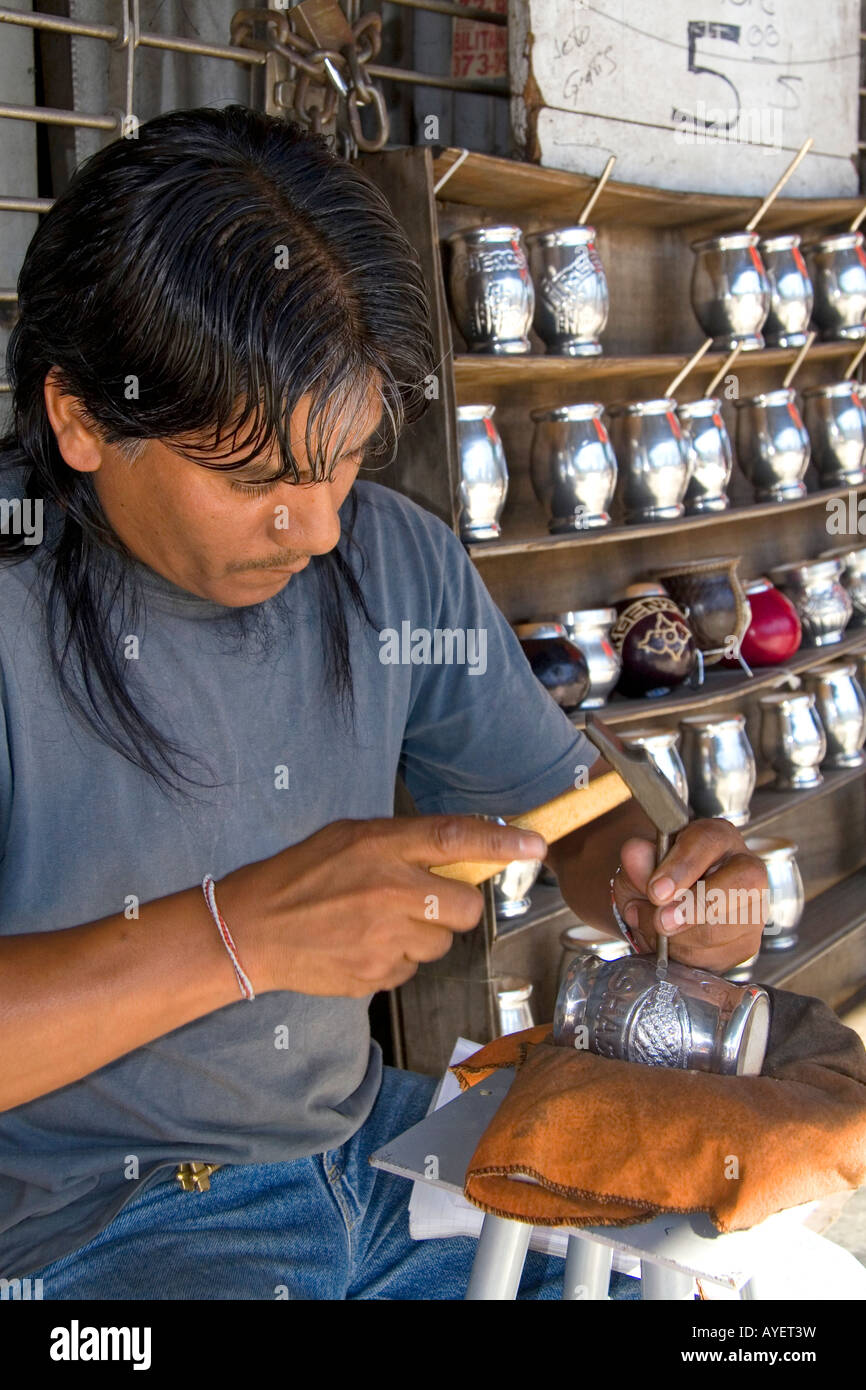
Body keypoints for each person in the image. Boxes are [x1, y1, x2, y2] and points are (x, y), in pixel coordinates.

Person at [0, 105, 767, 1301]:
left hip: (365, 1148)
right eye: (256, 479)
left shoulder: (390, 559)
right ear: (83, 418)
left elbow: (566, 819)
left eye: (343, 457)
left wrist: (658, 883)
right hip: (89, 1231)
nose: (317, 529)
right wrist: (238, 933)